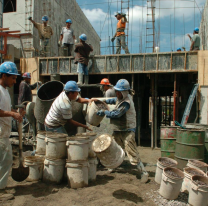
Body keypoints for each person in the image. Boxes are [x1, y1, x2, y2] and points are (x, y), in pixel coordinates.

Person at [96, 79, 149, 183]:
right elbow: (112, 100)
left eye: (119, 91)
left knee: (131, 151)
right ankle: (113, 166)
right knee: (113, 148)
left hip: (127, 130)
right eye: (116, 91)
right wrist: (99, 100)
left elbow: (116, 114)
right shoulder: (120, 98)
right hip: (118, 130)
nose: (117, 93)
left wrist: (104, 112)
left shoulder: (126, 102)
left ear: (124, 92)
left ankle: (143, 172)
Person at [0, 62, 25, 200]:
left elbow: (6, 109)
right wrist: (12, 115)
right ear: (4, 75)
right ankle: (1, 191)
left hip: (3, 132)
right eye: (13, 78)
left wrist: (16, 112)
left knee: (5, 160)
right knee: (5, 160)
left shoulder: (5, 91)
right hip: (0, 133)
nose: (15, 81)